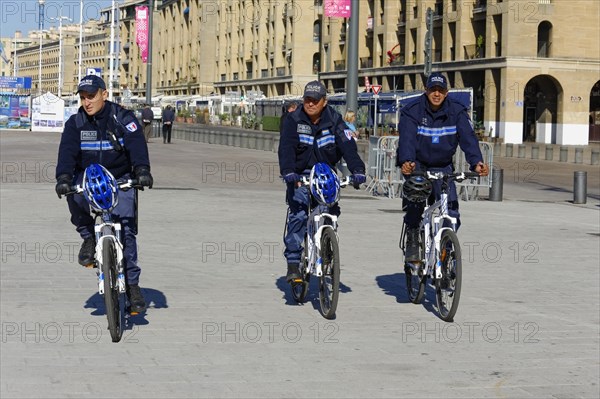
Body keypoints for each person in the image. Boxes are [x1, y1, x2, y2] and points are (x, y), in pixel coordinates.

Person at [55, 75, 154, 313]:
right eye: (83, 97)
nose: (86, 102)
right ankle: (89, 238)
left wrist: (142, 170)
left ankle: (132, 286)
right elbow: (67, 151)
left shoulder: (122, 117)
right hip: (88, 176)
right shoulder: (75, 123)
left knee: (126, 231)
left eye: (91, 96)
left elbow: (136, 143)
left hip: (119, 178)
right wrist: (63, 178)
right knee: (74, 194)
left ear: (104, 95)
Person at [278, 80, 366, 283]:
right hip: (300, 175)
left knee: (329, 211)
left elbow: (347, 146)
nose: (310, 104)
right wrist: (289, 171)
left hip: (325, 175)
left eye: (315, 100)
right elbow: (286, 148)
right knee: (299, 214)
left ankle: (327, 243)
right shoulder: (293, 120)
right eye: (307, 99)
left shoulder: (335, 120)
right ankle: (293, 263)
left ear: (324, 102)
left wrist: (358, 170)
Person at [396, 72, 489, 262]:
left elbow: (468, 139)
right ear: (426, 90)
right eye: (433, 90)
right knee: (416, 202)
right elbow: (406, 139)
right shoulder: (412, 110)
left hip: (443, 166)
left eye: (441, 90)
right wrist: (407, 161)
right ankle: (413, 237)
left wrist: (476, 162)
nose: (436, 94)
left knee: (451, 210)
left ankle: (446, 248)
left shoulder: (456, 111)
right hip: (418, 165)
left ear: (446, 93)